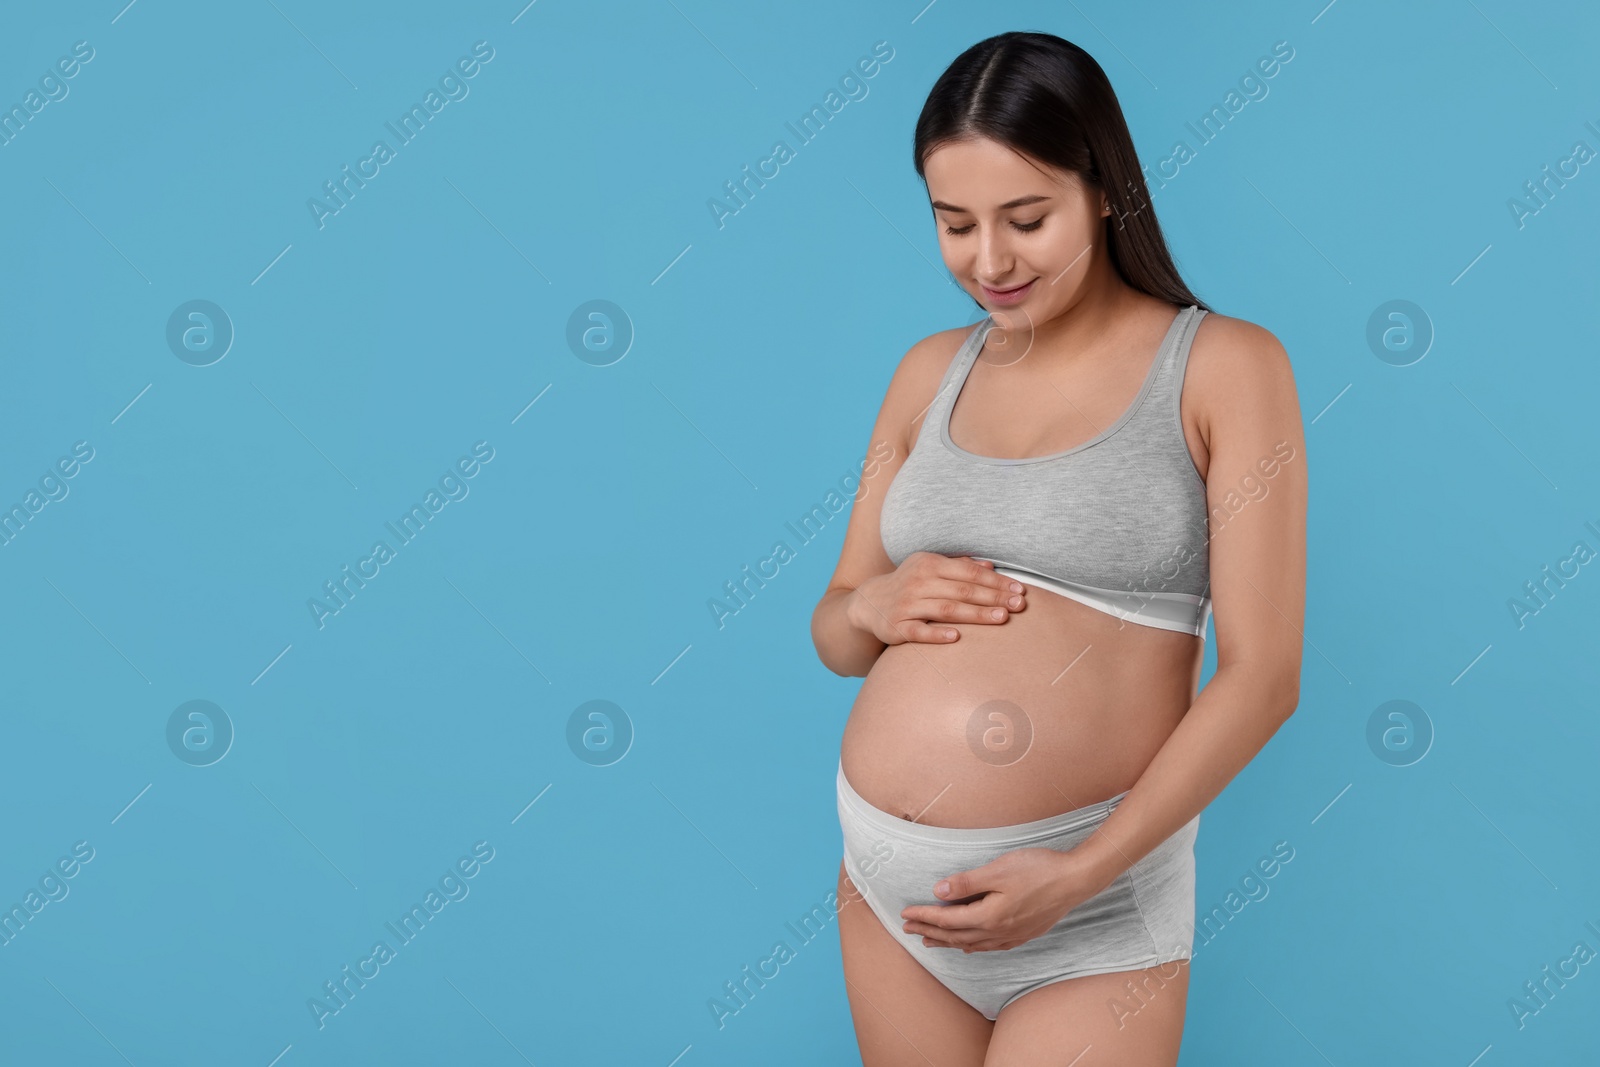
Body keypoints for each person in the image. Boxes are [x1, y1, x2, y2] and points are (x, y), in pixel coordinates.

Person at [809, 31, 1308, 1066]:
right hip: (894, 899)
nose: (988, 261)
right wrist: (869, 607)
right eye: (954, 225)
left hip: (1094, 908)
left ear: (1103, 191)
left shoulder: (1224, 366)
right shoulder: (925, 374)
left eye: (1025, 219)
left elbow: (1262, 678)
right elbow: (837, 624)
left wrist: (1082, 872)